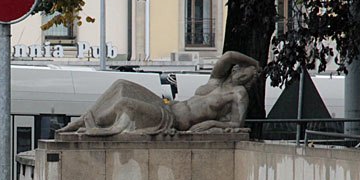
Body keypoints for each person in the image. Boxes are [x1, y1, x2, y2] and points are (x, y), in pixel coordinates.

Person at [58, 51, 261, 136]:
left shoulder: (238, 95)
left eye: (248, 77)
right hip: (166, 105)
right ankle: (83, 121)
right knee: (121, 84)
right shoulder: (215, 82)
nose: (243, 77)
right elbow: (228, 56)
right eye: (243, 71)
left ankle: (96, 126)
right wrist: (255, 63)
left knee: (126, 103)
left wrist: (211, 124)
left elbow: (237, 126)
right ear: (236, 69)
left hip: (170, 120)